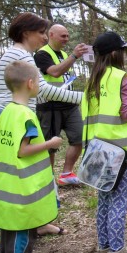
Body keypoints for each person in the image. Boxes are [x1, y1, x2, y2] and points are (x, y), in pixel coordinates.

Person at [0, 12, 83, 252]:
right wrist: (86, 98)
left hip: (17, 118)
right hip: (11, 120)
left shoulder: (19, 54)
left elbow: (40, 91)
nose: (43, 37)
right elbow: (46, 91)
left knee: (27, 176)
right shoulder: (19, 55)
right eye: (41, 33)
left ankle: (37, 223)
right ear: (26, 32)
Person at [83, 31, 127, 253]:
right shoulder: (119, 77)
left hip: (96, 150)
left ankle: (103, 250)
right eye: (122, 50)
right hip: (117, 151)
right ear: (114, 53)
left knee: (103, 201)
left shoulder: (93, 79)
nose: (125, 54)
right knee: (119, 202)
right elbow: (125, 113)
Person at [0, 61, 62, 253]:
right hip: (23, 196)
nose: (39, 84)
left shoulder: (6, 112)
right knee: (21, 242)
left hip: (5, 193)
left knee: (8, 242)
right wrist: (50, 143)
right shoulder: (26, 115)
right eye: (38, 80)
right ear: (30, 83)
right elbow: (22, 149)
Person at [34, 24, 88, 185]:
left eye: (67, 36)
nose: (67, 39)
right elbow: (55, 72)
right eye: (63, 36)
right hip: (50, 107)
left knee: (79, 137)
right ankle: (47, 178)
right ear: (51, 35)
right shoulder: (42, 54)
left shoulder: (64, 54)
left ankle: (66, 173)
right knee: (50, 145)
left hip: (70, 105)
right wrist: (74, 56)